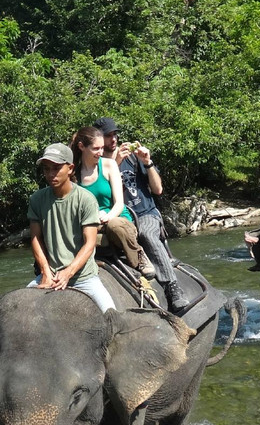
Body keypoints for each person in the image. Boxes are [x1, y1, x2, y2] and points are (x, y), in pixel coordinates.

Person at [93, 116, 186, 313]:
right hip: (118, 218)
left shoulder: (133, 158)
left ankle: (173, 287)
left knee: (146, 233)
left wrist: (148, 162)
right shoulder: (97, 164)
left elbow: (158, 189)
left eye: (115, 134)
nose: (113, 139)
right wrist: (115, 162)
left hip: (145, 213)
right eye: (108, 136)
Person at [26, 142, 116, 312]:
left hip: (84, 278)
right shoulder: (37, 200)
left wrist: (68, 272)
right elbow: (35, 238)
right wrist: (45, 272)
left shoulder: (86, 199)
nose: (50, 174)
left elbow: (89, 243)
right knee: (21, 310)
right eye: (46, 169)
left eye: (56, 168)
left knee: (111, 314)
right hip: (50, 275)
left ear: (70, 169)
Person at [70, 126, 156, 280]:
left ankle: (139, 256)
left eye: (102, 148)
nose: (100, 152)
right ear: (82, 147)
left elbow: (119, 204)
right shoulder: (73, 173)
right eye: (96, 149)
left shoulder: (109, 165)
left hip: (116, 219)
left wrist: (108, 216)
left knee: (114, 225)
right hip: (90, 223)